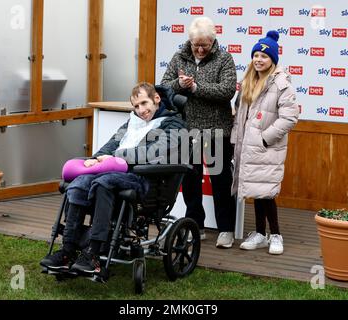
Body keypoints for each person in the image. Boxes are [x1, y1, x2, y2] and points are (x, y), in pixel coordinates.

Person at [40, 82, 186, 274]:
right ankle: (68, 251)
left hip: (146, 178)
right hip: (115, 172)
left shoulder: (174, 124)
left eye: (144, 103)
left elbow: (153, 152)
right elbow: (112, 144)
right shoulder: (131, 123)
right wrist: (93, 161)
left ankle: (93, 254)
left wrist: (116, 157)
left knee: (104, 183)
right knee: (78, 184)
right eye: (136, 106)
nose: (141, 110)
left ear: (156, 99)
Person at [161, 17, 237, 249]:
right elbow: (164, 86)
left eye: (205, 44)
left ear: (213, 41)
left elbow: (227, 90)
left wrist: (196, 88)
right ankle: (196, 225)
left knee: (221, 180)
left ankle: (226, 229)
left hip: (217, 129)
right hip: (187, 128)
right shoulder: (179, 57)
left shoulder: (224, 58)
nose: (201, 49)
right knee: (190, 179)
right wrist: (179, 85)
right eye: (197, 45)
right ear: (190, 41)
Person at [231, 30, 299, 255]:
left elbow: (289, 117)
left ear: (273, 60)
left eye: (264, 56)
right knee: (257, 190)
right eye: (256, 55)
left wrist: (264, 138)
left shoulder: (281, 84)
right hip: (248, 146)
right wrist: (236, 141)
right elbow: (240, 115)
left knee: (266, 192)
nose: (259, 60)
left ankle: (276, 235)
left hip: (266, 146)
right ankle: (260, 234)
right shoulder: (248, 81)